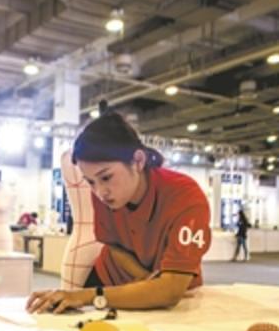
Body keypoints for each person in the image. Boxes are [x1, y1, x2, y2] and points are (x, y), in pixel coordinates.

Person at [26, 109, 211, 314]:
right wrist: (143, 278)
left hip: (168, 295)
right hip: (109, 280)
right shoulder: (103, 194)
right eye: (90, 182)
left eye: (106, 177)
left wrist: (85, 296)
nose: (99, 192)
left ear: (138, 161)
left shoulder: (186, 197)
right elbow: (112, 244)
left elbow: (170, 290)